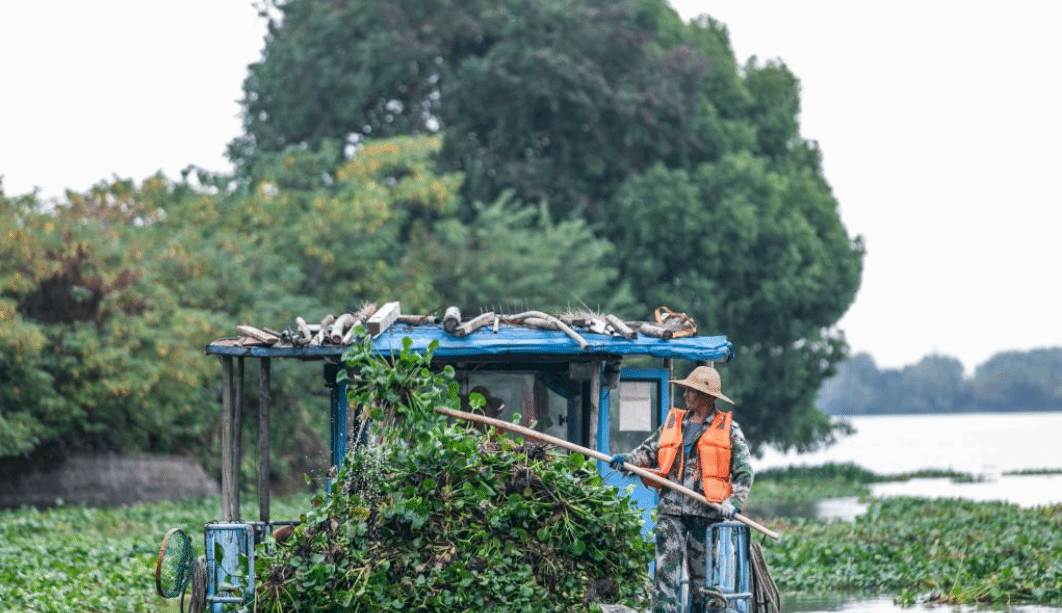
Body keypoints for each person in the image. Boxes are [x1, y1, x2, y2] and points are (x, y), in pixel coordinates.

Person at [610, 365, 753, 613]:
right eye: (686, 390)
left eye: (692, 391)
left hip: (706, 514)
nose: (686, 395)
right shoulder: (674, 423)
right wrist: (627, 460)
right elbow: (647, 452)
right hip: (671, 510)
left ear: (708, 397)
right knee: (666, 573)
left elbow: (744, 472)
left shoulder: (729, 429)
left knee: (704, 580)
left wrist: (734, 503)